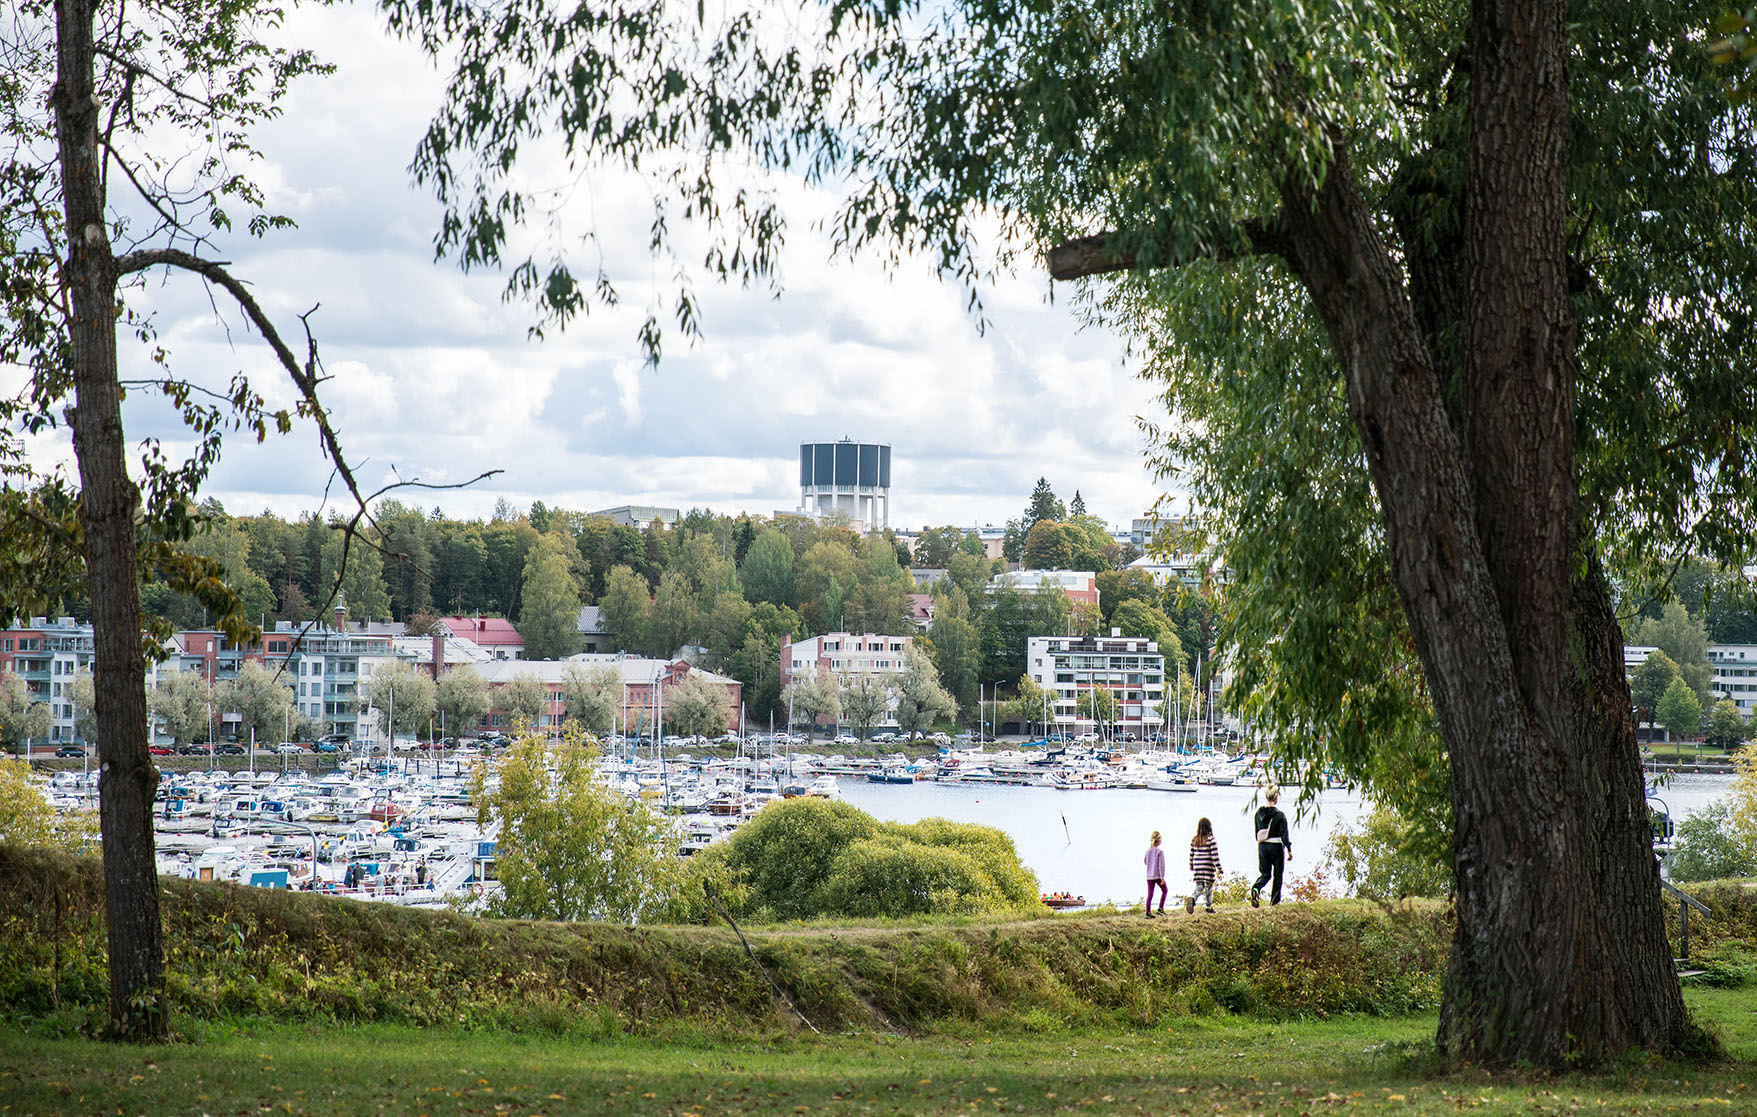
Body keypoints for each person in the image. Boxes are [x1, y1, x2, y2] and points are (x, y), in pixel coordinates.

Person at [1251, 788, 1292, 907]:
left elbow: (1256, 832)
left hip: (1262, 846)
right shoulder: (1280, 815)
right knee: (1277, 874)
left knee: (1265, 874)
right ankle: (1274, 901)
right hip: (1276, 846)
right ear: (1276, 798)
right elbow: (1284, 834)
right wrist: (1289, 849)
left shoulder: (1258, 813)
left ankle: (1256, 888)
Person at [1187, 817, 1222, 913]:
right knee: (1208, 888)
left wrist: (1191, 865)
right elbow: (1215, 856)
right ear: (1209, 827)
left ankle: (1193, 897)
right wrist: (1219, 868)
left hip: (1197, 867)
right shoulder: (1211, 840)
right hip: (1208, 867)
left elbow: (1191, 854)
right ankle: (1208, 907)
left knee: (1199, 887)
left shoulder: (1194, 840)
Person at [1143, 830, 1168, 916]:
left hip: (1149, 876)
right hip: (1157, 876)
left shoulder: (1148, 851)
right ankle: (1160, 908)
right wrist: (1162, 878)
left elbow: (1145, 862)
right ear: (1159, 841)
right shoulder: (1160, 852)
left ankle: (1148, 912)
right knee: (1165, 890)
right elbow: (1161, 866)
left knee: (1150, 894)